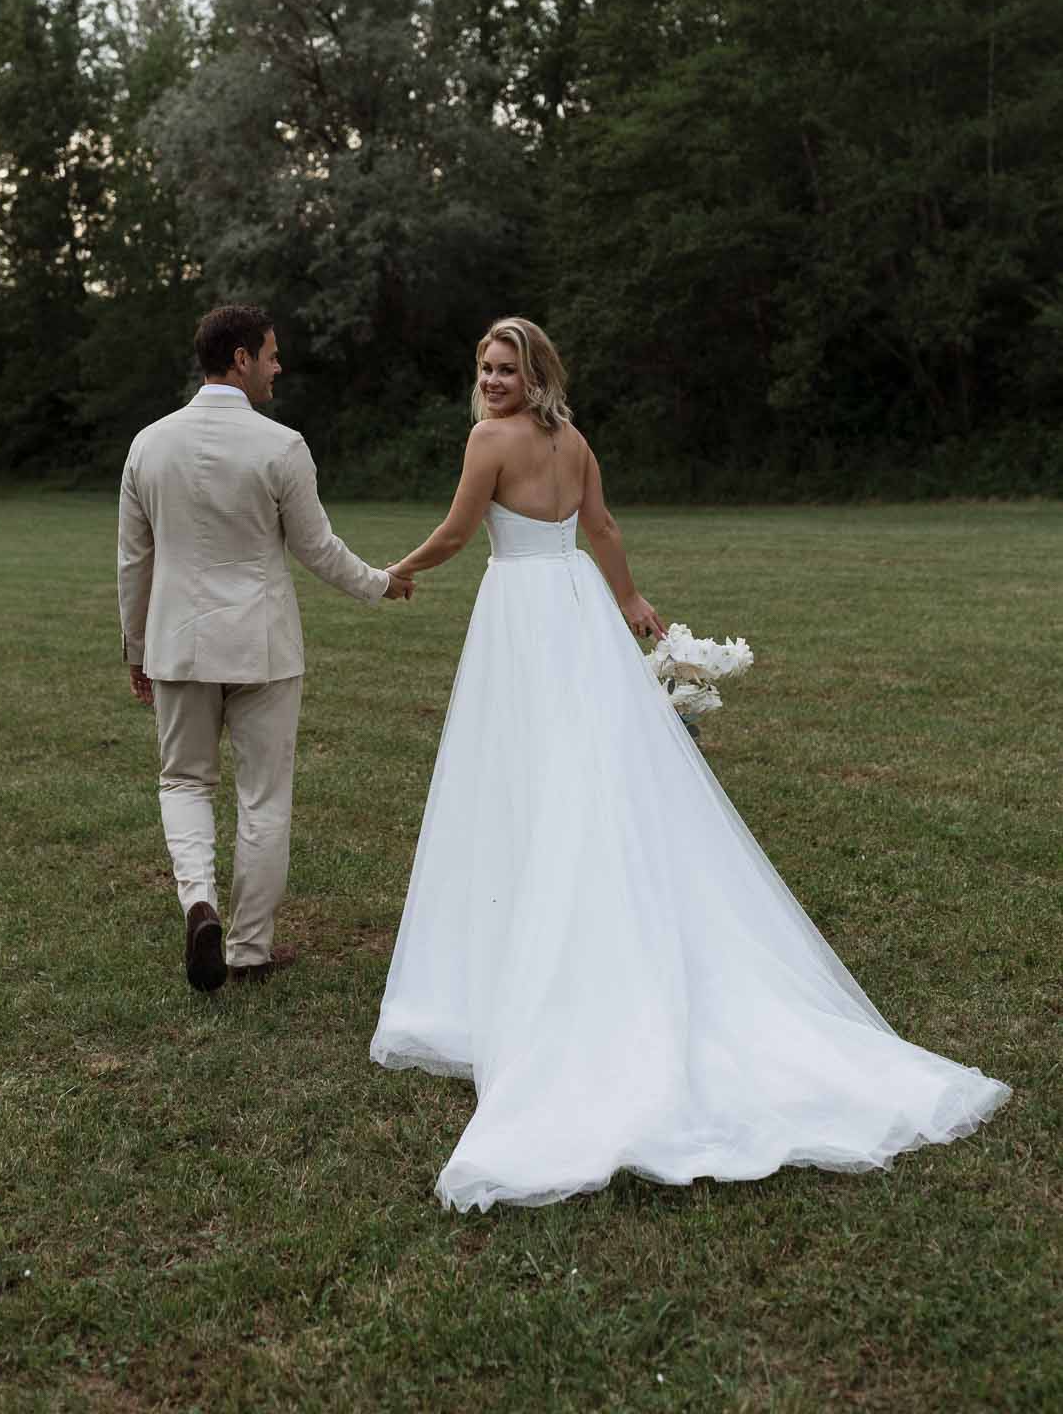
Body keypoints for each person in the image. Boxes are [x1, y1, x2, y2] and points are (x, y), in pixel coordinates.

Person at [370, 316, 1009, 1212]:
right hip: (577, 610)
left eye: (506, 367)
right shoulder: (573, 440)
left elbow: (454, 530)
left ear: (533, 371)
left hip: (521, 613)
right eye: (483, 366)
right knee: (587, 772)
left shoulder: (490, 441)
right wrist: (625, 595)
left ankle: (532, 972)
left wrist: (396, 571)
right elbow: (599, 527)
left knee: (527, 778)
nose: (491, 380)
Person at [118, 302, 412, 993]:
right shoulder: (281, 446)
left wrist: (135, 648)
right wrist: (380, 584)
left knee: (184, 780)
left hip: (179, 644)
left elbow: (134, 562)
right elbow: (317, 549)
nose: (279, 368)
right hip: (262, 646)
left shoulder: (147, 445)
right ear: (241, 358)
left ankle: (198, 901)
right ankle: (248, 950)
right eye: (272, 355)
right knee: (263, 796)